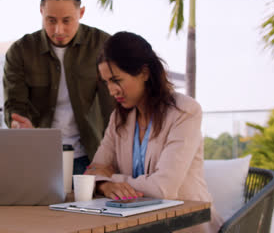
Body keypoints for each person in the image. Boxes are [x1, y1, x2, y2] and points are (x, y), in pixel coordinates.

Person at [85, 32, 223, 232]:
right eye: (107, 82)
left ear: (144, 73)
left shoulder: (185, 112)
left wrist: (114, 179)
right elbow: (93, 171)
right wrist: (105, 186)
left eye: (117, 80)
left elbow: (162, 189)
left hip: (186, 226)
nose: (112, 90)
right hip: (138, 225)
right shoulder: (119, 118)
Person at [3, 0, 114, 174]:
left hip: (90, 157)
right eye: (51, 20)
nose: (58, 30)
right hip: (37, 155)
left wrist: (111, 160)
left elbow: (113, 109)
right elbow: (14, 105)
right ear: (41, 12)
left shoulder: (103, 45)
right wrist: (19, 124)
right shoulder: (21, 51)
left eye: (67, 20)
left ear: (81, 13)